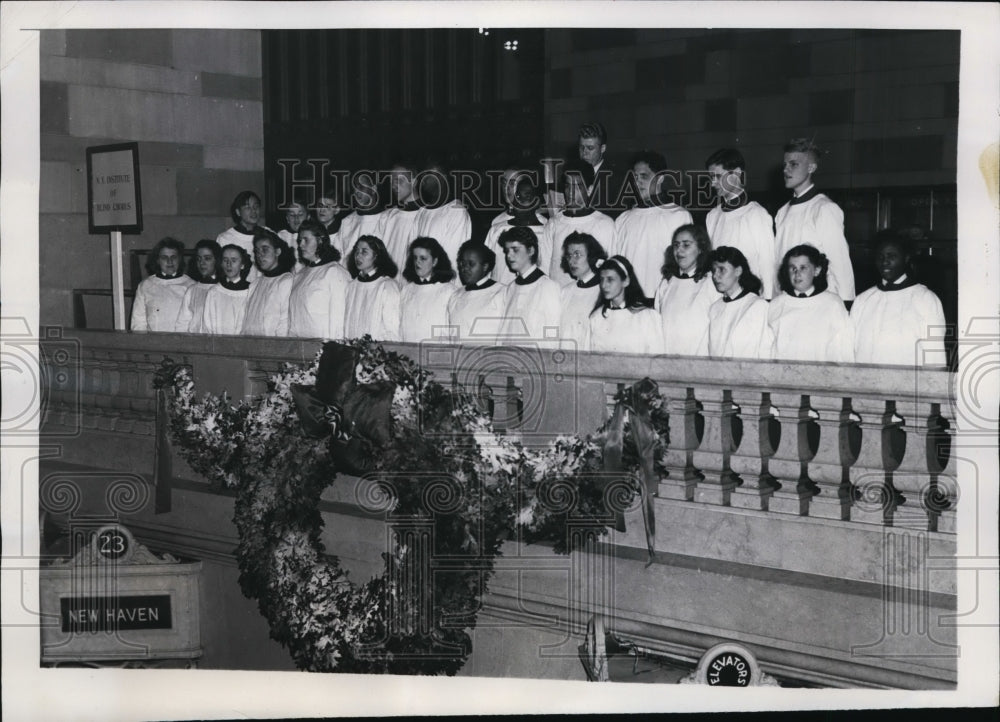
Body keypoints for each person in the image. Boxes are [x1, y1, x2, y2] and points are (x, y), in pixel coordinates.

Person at [774, 138, 855, 305]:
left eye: (793, 164)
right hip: (787, 300)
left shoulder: (824, 209)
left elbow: (840, 264)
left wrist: (846, 304)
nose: (786, 170)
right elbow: (778, 262)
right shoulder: (782, 212)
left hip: (818, 301)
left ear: (811, 167)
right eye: (785, 164)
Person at [850, 234, 946, 367]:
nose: (885, 262)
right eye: (880, 257)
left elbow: (935, 355)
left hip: (908, 384)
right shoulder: (863, 300)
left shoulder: (925, 299)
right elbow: (851, 350)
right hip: (866, 383)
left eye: (892, 256)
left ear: (906, 258)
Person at [613, 151, 693, 295]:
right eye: (635, 177)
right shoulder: (623, 219)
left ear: (661, 178)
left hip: (665, 298)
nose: (637, 182)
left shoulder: (679, 216)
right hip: (630, 301)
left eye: (644, 176)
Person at [704, 148, 776, 300]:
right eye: (711, 178)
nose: (713, 183)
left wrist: (768, 299)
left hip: (750, 297)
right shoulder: (712, 216)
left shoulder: (756, 214)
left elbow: (767, 263)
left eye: (717, 176)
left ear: (736, 173)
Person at [768, 244, 854, 362]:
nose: (797, 274)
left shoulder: (832, 303)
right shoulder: (777, 304)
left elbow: (843, 349)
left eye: (803, 267)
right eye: (793, 268)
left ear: (816, 270)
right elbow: (768, 348)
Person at [545, 160, 616, 286]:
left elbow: (609, 269)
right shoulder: (553, 224)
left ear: (589, 189)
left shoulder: (605, 224)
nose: (571, 192)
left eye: (577, 187)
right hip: (558, 299)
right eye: (567, 186)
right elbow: (544, 267)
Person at [654, 224, 721, 356]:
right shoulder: (666, 283)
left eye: (686, 245)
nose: (679, 251)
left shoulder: (711, 283)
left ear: (701, 248)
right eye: (676, 245)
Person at [706, 246, 774, 360]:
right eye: (714, 270)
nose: (715, 276)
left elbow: (765, 351)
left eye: (722, 269)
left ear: (738, 271)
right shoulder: (715, 308)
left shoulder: (758, 306)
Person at [287, 220, 351, 340]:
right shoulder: (300, 275)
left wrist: (333, 350)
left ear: (320, 240)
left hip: (324, 348)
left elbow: (339, 319)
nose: (301, 245)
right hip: (299, 347)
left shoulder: (334, 272)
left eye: (306, 240)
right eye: (299, 241)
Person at [498, 226, 561, 346]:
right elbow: (504, 331)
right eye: (507, 251)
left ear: (531, 251)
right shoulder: (511, 288)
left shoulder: (548, 287)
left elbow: (552, 335)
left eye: (515, 250)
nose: (509, 256)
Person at [588, 255, 664, 354]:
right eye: (602, 279)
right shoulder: (596, 317)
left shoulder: (646, 317)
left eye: (610, 279)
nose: (603, 285)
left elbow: (657, 358)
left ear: (626, 281)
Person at [484, 176, 550, 286]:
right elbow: (486, 268)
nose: (521, 202)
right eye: (518, 196)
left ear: (537, 201)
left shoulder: (546, 231)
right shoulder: (497, 229)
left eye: (528, 196)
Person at [447, 241, 507, 345]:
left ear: (485, 266)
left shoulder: (501, 292)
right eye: (462, 263)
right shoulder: (456, 295)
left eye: (471, 264)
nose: (465, 268)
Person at [398, 237, 458, 343]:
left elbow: (454, 331)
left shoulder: (449, 291)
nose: (417, 263)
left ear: (434, 261)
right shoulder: (406, 290)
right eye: (415, 258)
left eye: (423, 258)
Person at [132, 237, 195, 332]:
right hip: (153, 343)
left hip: (182, 343)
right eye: (164, 257)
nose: (169, 261)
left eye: (173, 257)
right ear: (157, 260)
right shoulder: (145, 285)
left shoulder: (191, 285)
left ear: (180, 259)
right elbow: (138, 323)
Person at [344, 235, 401, 341]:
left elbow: (392, 329)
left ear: (376, 256)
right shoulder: (352, 286)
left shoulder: (387, 285)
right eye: (357, 251)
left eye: (364, 252)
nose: (358, 256)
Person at [414, 162, 472, 266]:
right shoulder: (422, 212)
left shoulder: (456, 212)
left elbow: (452, 256)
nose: (422, 180)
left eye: (427, 175)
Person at [558, 232, 608, 351]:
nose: (571, 261)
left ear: (592, 257)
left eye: (577, 255)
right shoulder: (565, 292)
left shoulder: (605, 292)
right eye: (569, 256)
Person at [241, 229, 295, 336]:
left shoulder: (287, 281)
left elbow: (285, 324)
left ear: (277, 252)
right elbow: (246, 323)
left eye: (265, 250)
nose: (260, 255)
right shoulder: (255, 284)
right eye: (257, 251)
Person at [381, 161, 423, 274]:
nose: (394, 185)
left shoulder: (426, 216)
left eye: (399, 180)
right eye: (391, 181)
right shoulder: (387, 217)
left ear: (414, 182)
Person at [338, 174, 389, 261]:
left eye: (361, 187)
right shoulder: (347, 221)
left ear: (373, 189)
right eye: (354, 189)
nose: (356, 192)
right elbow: (340, 256)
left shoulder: (387, 219)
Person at [577, 121, 623, 216]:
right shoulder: (573, 175)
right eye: (581, 147)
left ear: (603, 148)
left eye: (590, 148)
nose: (584, 152)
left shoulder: (617, 179)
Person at [203, 245, 252, 335]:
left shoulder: (251, 291)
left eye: (233, 260)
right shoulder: (214, 291)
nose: (229, 264)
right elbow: (208, 324)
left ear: (242, 265)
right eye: (225, 260)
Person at [175, 239, 221, 333]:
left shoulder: (224, 289)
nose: (202, 263)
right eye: (199, 259)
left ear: (217, 260)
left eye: (207, 258)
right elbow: (182, 323)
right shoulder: (192, 290)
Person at [216, 190, 265, 258]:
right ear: (238, 212)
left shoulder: (268, 234)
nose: (253, 210)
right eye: (248, 207)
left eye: (256, 206)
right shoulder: (225, 238)